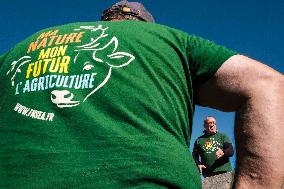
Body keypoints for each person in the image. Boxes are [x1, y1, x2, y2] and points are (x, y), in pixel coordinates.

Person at [0, 0, 283, 188]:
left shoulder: (22, 47)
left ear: (104, 21)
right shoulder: (169, 40)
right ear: (145, 25)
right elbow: (267, 84)